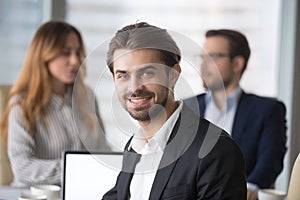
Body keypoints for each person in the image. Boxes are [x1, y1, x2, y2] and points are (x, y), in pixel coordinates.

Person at [102, 22, 246, 199]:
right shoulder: (135, 146)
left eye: (147, 73)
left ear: (173, 74)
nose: (134, 87)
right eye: (122, 75)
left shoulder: (216, 151)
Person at [0, 20, 110, 187]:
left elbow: (103, 153)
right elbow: (22, 168)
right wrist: (78, 168)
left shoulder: (87, 97)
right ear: (44, 56)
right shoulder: (22, 104)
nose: (74, 60)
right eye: (65, 53)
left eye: (78, 52)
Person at [186, 29, 287, 200]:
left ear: (237, 64)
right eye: (202, 57)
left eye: (213, 57)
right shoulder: (186, 107)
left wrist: (251, 187)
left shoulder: (268, 110)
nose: (203, 64)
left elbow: (270, 159)